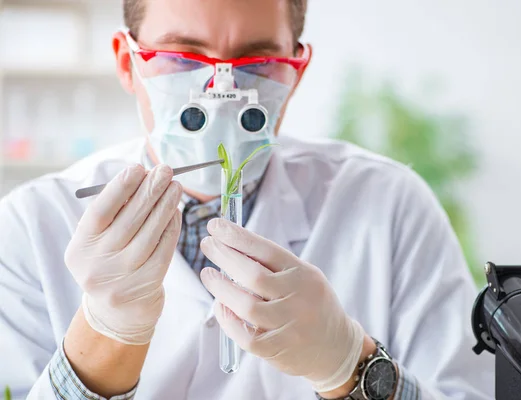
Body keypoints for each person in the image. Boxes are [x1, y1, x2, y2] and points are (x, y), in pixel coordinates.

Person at [0, 0, 494, 399]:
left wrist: (352, 365)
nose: (223, 89)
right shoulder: (29, 224)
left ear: (296, 73)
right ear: (128, 63)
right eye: (183, 57)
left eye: (258, 62)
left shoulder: (390, 206)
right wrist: (104, 336)